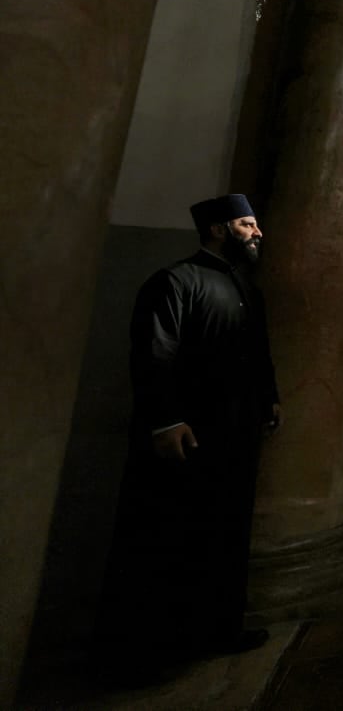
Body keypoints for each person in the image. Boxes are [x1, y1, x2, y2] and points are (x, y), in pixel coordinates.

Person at [96, 194, 280, 680]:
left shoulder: (247, 287)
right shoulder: (176, 281)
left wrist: (269, 398)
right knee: (171, 537)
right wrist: (166, 420)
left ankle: (220, 630)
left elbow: (258, 352)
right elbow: (154, 354)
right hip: (190, 435)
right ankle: (151, 655)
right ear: (218, 229)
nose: (257, 233)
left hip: (236, 435)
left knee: (226, 533)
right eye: (247, 224)